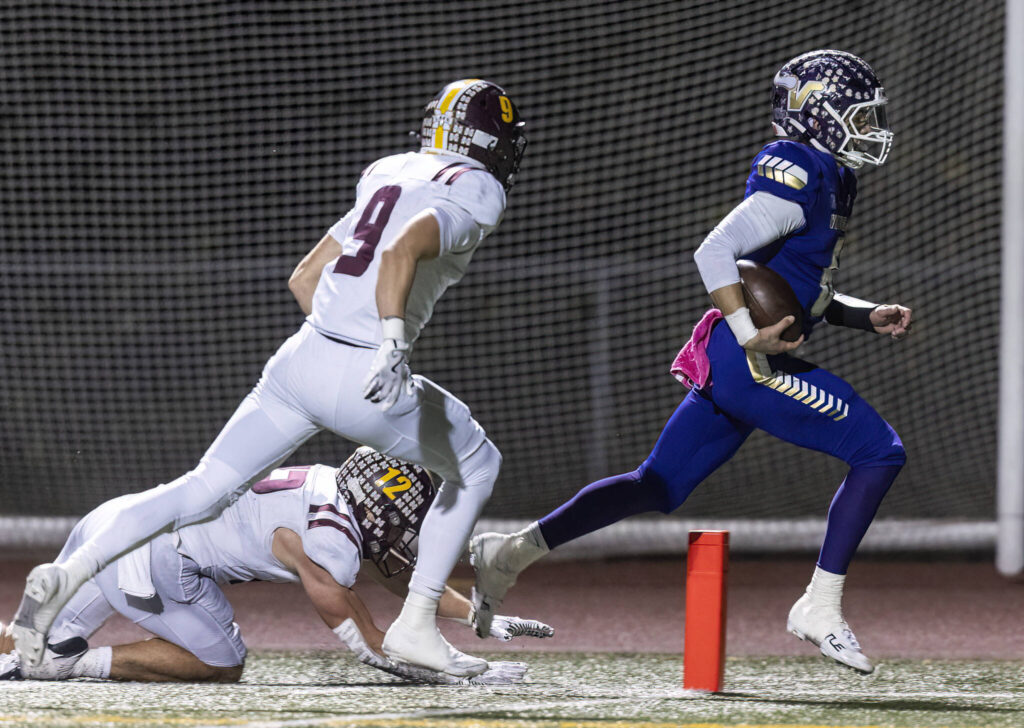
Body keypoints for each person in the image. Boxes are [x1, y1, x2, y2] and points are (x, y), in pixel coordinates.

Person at [13, 79, 528, 678]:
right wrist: (387, 341)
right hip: (365, 372)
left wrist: (336, 343)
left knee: (199, 489)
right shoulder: (479, 188)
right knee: (477, 463)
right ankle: (416, 625)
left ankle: (69, 572)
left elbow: (305, 277)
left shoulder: (388, 170)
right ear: (489, 143)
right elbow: (399, 252)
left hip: (301, 360)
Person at [470, 50, 911, 674]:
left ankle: (509, 554)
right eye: (858, 116)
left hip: (738, 362)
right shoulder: (799, 167)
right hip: (750, 366)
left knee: (657, 485)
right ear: (817, 115)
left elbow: (798, 290)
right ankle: (819, 604)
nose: (870, 129)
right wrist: (748, 334)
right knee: (879, 451)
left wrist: (864, 315)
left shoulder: (836, 176)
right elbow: (716, 251)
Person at [1, 448, 552, 684]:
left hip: (119, 518)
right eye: (405, 519)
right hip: (155, 561)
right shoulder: (330, 542)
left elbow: (400, 577)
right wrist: (460, 671)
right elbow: (371, 645)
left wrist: (477, 614)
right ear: (377, 509)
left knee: (26, 641)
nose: (410, 532)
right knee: (223, 663)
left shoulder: (331, 489)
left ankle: (45, 647)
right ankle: (72, 665)